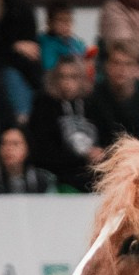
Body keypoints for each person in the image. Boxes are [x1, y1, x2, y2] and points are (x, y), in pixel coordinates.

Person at [26, 56, 104, 192]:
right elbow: (43, 151)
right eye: (62, 77)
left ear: (82, 79)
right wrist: (83, 158)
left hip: (95, 171)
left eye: (73, 77)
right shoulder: (43, 105)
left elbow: (108, 134)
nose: (67, 83)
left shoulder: (94, 104)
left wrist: (102, 152)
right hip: (60, 174)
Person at [88, 42, 139, 146]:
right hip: (107, 153)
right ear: (107, 66)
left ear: (136, 68)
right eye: (116, 63)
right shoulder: (94, 96)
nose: (121, 69)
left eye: (128, 64)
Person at [0, 125, 55, 194]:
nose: (8, 148)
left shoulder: (41, 180)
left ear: (27, 149)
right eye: (4, 143)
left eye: (15, 144)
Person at [38, 2, 86, 72]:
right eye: (61, 20)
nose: (66, 24)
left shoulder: (77, 43)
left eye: (68, 20)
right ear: (50, 23)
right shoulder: (46, 44)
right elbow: (49, 67)